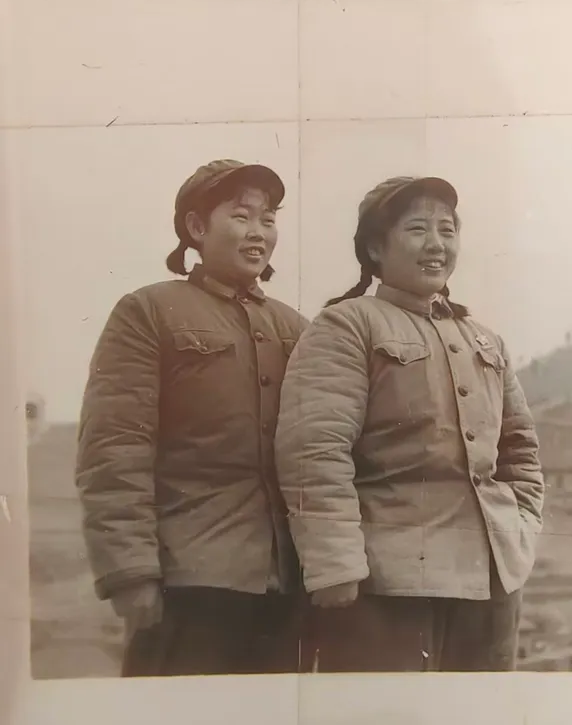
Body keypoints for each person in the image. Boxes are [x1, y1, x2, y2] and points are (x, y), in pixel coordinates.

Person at [274, 175, 544, 672]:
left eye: (447, 229)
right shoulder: (347, 325)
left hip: (491, 582)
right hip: (386, 584)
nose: (436, 244)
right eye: (418, 229)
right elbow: (315, 451)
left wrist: (519, 534)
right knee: (386, 709)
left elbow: (521, 452)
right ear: (375, 248)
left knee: (482, 709)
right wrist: (335, 563)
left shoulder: (485, 340)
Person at [76, 159, 308, 677]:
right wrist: (130, 570)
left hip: (286, 589)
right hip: (185, 582)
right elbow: (115, 449)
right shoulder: (147, 311)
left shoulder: (298, 327)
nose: (258, 232)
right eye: (241, 216)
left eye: (268, 219)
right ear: (197, 228)